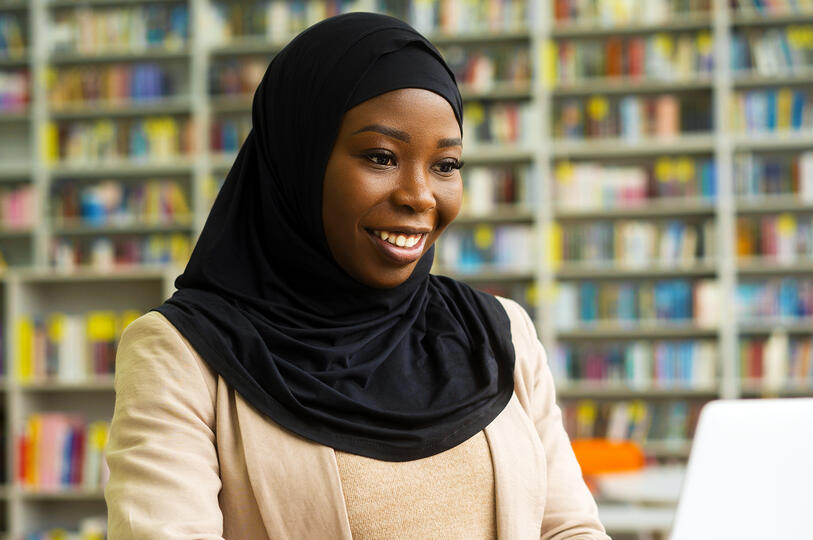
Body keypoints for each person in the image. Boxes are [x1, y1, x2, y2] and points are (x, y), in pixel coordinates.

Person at [104, 12, 608, 539]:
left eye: (446, 165)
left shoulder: (500, 333)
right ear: (299, 160)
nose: (419, 195)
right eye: (380, 156)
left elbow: (568, 528)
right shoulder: (182, 353)